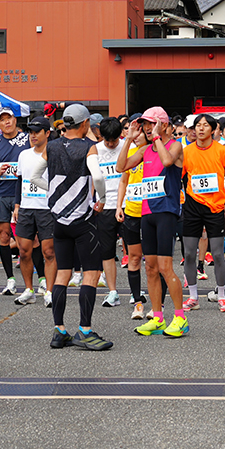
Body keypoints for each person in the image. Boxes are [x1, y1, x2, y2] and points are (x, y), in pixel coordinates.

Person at [27, 104, 113, 351]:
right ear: (85, 123)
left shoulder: (52, 146)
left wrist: (55, 192)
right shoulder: (89, 146)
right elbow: (98, 177)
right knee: (91, 273)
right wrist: (102, 199)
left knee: (62, 273)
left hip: (59, 219)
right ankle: (85, 330)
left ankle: (59, 330)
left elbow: (34, 176)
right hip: (83, 219)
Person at [121, 107, 188, 338]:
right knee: (150, 267)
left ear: (164, 125)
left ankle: (180, 317)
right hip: (147, 212)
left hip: (166, 211)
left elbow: (167, 161)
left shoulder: (175, 145)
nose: (148, 128)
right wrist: (128, 139)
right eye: (145, 125)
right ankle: (158, 317)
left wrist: (158, 137)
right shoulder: (144, 149)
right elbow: (121, 166)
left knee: (165, 267)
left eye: (152, 124)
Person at [181, 113, 225, 312]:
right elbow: (176, 177)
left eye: (205, 125)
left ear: (213, 129)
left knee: (217, 253)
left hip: (215, 208)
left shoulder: (221, 150)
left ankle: (221, 296)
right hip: (192, 207)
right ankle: (193, 297)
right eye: (197, 125)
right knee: (189, 253)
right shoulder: (186, 152)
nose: (200, 128)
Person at [0, 109, 27, 296]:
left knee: (27, 238)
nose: (7, 122)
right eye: (3, 120)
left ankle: (39, 279)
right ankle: (10, 279)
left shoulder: (27, 139)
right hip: (1, 192)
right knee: (3, 235)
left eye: (9, 118)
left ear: (15, 120)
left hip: (24, 192)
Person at [15, 116, 58, 305]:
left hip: (46, 208)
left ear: (47, 133)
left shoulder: (54, 154)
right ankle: (28, 290)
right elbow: (19, 181)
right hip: (26, 207)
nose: (33, 135)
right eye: (30, 132)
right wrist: (17, 205)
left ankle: (49, 291)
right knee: (24, 250)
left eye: (37, 132)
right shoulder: (24, 155)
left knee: (48, 252)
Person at [115, 119, 148, 319]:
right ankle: (137, 302)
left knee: (154, 261)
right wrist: (119, 206)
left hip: (152, 213)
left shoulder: (155, 151)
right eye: (130, 130)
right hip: (132, 211)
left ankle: (158, 304)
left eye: (138, 131)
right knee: (134, 258)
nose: (134, 134)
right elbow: (123, 180)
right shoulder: (129, 153)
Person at [93, 116, 125, 307]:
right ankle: (113, 292)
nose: (111, 144)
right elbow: (91, 178)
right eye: (107, 140)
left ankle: (135, 291)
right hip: (104, 206)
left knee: (134, 253)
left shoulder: (128, 147)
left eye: (114, 140)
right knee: (107, 252)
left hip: (127, 204)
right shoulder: (95, 150)